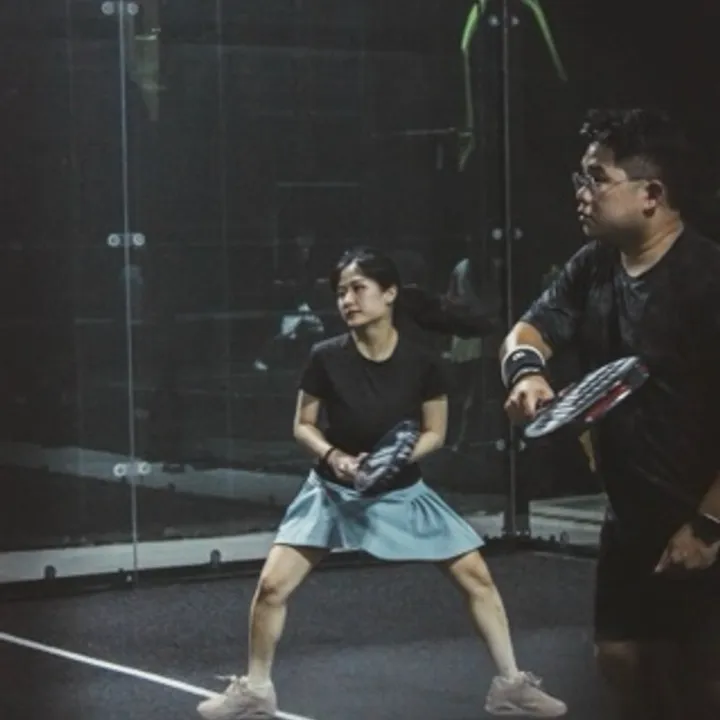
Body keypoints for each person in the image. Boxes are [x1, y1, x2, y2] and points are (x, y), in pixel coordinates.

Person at [197, 246, 567, 719]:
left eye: (358, 289)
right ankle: (256, 690)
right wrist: (336, 458)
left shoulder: (423, 362)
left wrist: (390, 461)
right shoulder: (325, 357)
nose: (347, 300)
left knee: (477, 579)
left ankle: (511, 686)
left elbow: (435, 433)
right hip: (332, 492)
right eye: (341, 292)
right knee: (271, 587)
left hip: (402, 493)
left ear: (389, 294)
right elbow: (303, 426)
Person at [499, 108, 720, 720]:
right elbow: (526, 332)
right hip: (630, 522)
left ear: (651, 194)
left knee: (706, 683)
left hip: (705, 517)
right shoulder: (592, 265)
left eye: (597, 178)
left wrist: (708, 528)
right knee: (621, 660)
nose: (582, 192)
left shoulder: (708, 281)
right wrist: (526, 372)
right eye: (581, 177)